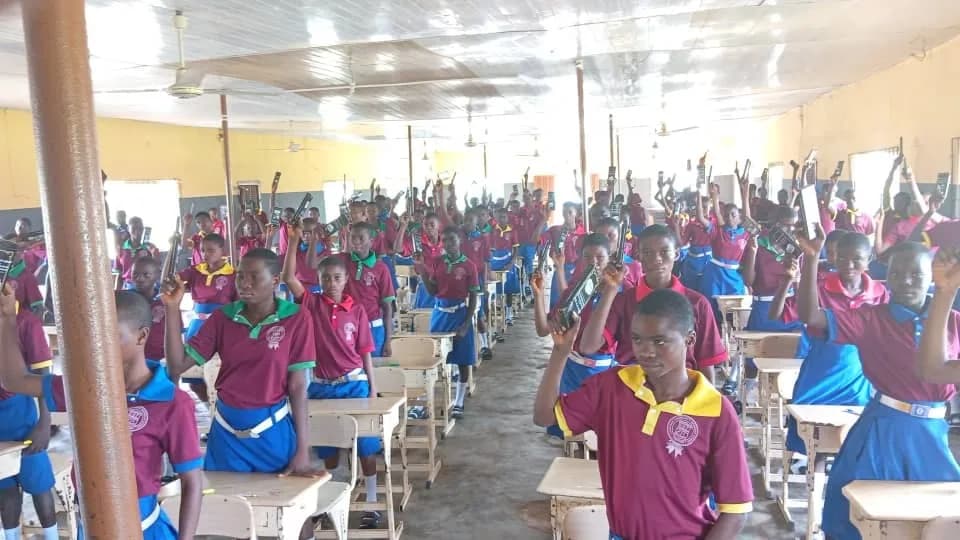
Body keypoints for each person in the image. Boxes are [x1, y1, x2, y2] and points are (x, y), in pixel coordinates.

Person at [533, 289, 752, 540]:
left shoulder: (716, 411)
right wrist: (560, 353)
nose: (646, 351)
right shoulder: (612, 387)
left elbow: (735, 511)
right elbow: (544, 417)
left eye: (660, 341)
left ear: (690, 340)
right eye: (637, 339)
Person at [0, 289, 203, 539]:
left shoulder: (173, 402)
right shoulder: (84, 386)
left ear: (142, 336)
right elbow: (14, 381)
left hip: (142, 529)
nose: (98, 346)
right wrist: (7, 320)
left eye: (110, 336)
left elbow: (192, 482)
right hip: (91, 525)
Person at [795, 234, 960, 540]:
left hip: (934, 433)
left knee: (940, 521)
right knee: (860, 517)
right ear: (886, 277)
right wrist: (811, 260)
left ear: (932, 279)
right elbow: (812, 317)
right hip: (885, 430)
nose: (906, 281)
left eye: (916, 274)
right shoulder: (871, 318)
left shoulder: (953, 321)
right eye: (896, 274)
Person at [163, 248, 318, 479]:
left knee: (279, 505)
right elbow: (176, 366)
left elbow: (297, 387)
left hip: (271, 432)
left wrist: (302, 449)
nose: (244, 284)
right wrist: (172, 308)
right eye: (241, 276)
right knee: (226, 509)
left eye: (254, 277)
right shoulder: (222, 317)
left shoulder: (296, 317)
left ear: (275, 281)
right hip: (226, 434)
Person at [282, 247, 383, 529]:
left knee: (365, 445)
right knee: (327, 446)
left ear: (345, 279)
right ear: (319, 280)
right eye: (325, 278)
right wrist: (294, 239)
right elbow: (288, 276)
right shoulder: (312, 305)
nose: (330, 283)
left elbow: (365, 352)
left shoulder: (358, 310)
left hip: (354, 385)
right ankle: (330, 499)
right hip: (322, 388)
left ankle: (372, 502)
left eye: (336, 278)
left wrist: (373, 389)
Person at [774, 232, 887, 465]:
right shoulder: (819, 287)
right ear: (834, 258)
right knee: (814, 443)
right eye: (843, 258)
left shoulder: (880, 294)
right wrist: (793, 277)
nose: (849, 265)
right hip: (819, 376)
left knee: (854, 442)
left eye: (857, 259)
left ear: (870, 259)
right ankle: (812, 482)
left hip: (858, 380)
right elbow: (783, 314)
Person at [579, 225, 727, 383]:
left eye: (664, 252)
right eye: (648, 253)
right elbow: (588, 347)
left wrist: (704, 403)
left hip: (680, 393)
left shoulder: (697, 304)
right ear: (638, 256)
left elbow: (706, 364)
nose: (656, 259)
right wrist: (611, 289)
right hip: (632, 390)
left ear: (676, 254)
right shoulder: (624, 301)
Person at [532, 233, 616, 443]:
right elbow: (544, 329)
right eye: (587, 257)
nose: (594, 262)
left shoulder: (619, 296)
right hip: (570, 370)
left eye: (600, 257)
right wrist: (538, 294)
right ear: (579, 258)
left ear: (610, 257)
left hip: (602, 372)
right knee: (568, 432)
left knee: (600, 436)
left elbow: (591, 345)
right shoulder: (574, 290)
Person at [0, 286, 57, 540]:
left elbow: (43, 377)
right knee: (4, 486)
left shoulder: (27, 323)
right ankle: (10, 536)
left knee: (38, 483)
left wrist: (45, 422)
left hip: (21, 416)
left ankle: (52, 535)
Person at [415, 227, 480, 419]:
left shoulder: (469, 266)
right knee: (434, 359)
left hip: (460, 314)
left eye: (452, 240)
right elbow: (433, 292)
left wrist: (466, 324)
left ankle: (459, 400)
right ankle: (425, 402)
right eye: (444, 240)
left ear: (459, 240)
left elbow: (474, 296)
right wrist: (422, 273)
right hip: (440, 314)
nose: (448, 244)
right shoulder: (437, 263)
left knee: (462, 359)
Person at [325, 222, 395, 358]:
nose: (356, 241)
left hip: (373, 329)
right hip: (346, 328)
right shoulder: (341, 260)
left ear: (371, 241)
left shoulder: (381, 268)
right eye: (353, 237)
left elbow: (387, 307)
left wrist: (388, 340)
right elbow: (314, 264)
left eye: (361, 238)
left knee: (374, 371)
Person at [741, 206, 804, 332]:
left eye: (794, 225)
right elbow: (748, 282)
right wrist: (753, 252)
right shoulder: (759, 244)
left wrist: (796, 277)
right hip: (764, 310)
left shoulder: (797, 250)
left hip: (790, 311)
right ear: (774, 224)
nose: (790, 230)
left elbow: (799, 288)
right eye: (786, 225)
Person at [699, 180, 752, 315]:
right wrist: (702, 195)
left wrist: (745, 194)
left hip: (733, 276)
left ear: (739, 217)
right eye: (726, 215)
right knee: (712, 309)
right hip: (714, 275)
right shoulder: (718, 231)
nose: (729, 218)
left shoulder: (744, 233)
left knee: (735, 311)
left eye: (733, 215)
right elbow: (703, 216)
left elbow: (748, 217)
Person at [543, 202, 585, 309]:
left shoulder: (584, 232)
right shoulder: (555, 230)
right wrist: (544, 219)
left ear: (576, 213)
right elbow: (538, 241)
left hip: (578, 270)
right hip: (561, 268)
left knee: (575, 302)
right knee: (556, 302)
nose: (567, 215)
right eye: (564, 212)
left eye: (570, 212)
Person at [131, 258, 167, 364]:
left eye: (146, 275)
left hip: (160, 360)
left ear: (156, 276)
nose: (139, 279)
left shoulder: (165, 302)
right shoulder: (127, 300)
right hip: (133, 359)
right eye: (135, 274)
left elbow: (175, 332)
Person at [490, 207, 521, 326]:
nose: (501, 219)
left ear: (507, 218)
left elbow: (516, 249)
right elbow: (490, 249)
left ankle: (508, 313)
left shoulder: (512, 231)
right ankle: (494, 312)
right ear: (495, 218)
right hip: (495, 262)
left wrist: (511, 264)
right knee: (494, 288)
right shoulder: (492, 231)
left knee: (508, 290)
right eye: (498, 217)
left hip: (507, 262)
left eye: (503, 217)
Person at [281, 217, 325, 296]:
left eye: (310, 232)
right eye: (303, 232)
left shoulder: (324, 252)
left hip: (318, 292)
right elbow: (289, 276)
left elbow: (312, 264)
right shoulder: (297, 250)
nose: (306, 235)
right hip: (298, 289)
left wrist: (313, 242)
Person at [114, 216, 161, 290]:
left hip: (148, 287)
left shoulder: (150, 248)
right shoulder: (121, 248)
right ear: (128, 230)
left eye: (140, 228)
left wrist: (154, 255)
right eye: (134, 228)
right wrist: (116, 293)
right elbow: (120, 275)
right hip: (129, 287)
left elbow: (157, 269)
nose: (137, 231)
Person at [679, 195, 714, 293]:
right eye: (700, 207)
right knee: (690, 288)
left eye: (705, 207)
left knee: (705, 288)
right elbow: (682, 243)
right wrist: (677, 227)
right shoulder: (692, 224)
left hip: (707, 260)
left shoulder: (714, 224)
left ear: (710, 208)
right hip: (692, 261)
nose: (702, 209)